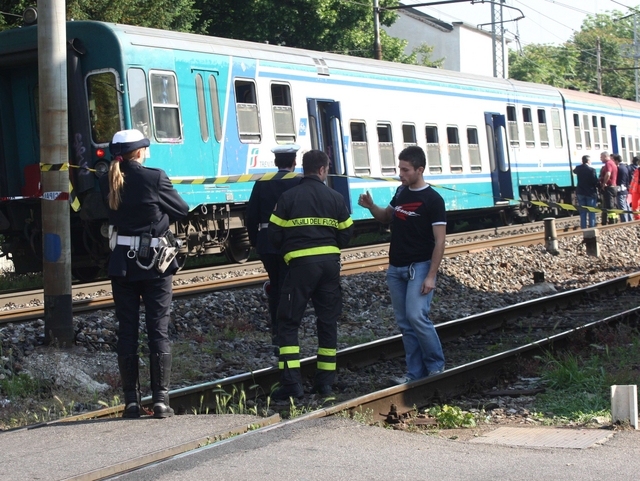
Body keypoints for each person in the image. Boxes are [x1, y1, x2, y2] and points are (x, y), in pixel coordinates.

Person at [99, 129, 189, 418]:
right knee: (157, 329)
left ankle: (131, 403)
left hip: (122, 265)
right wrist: (159, 218)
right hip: (155, 265)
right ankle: (161, 401)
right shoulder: (155, 177)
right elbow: (181, 209)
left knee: (127, 331)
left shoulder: (107, 180)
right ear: (139, 152)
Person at [268, 150, 353, 400]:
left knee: (288, 323)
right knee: (327, 322)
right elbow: (347, 233)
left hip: (300, 268)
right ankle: (325, 384)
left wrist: (289, 251)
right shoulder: (335, 197)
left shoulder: (288, 197)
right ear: (323, 170)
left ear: (302, 168)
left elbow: (273, 234)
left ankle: (292, 385)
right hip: (329, 267)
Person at [357, 146, 446, 384]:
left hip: (419, 267)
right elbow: (386, 217)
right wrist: (370, 207)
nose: (401, 173)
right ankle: (415, 373)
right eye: (400, 168)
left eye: (405, 170)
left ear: (420, 169)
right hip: (396, 268)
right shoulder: (401, 192)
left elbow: (440, 241)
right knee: (406, 323)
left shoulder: (433, 199)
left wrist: (431, 275)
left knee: (417, 316)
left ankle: (436, 366)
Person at [245, 145, 301, 351]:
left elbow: (251, 215)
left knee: (276, 287)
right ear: (294, 162)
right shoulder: (298, 182)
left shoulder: (262, 182)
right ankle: (288, 331)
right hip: (293, 242)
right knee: (290, 286)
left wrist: (254, 240)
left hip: (267, 242)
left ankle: (277, 331)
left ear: (276, 163)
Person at [573, 155, 598, 229]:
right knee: (591, 211)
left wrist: (582, 164)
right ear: (588, 161)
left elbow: (574, 171)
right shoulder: (592, 170)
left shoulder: (578, 168)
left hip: (580, 192)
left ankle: (583, 227)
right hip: (590, 192)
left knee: (583, 212)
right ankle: (592, 227)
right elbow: (595, 181)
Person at [598, 151, 618, 225]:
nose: (601, 159)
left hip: (609, 187)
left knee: (609, 205)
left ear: (606, 156)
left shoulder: (608, 163)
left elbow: (608, 173)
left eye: (601, 157)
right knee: (613, 204)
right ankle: (614, 219)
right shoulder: (613, 163)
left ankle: (612, 221)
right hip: (613, 186)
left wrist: (604, 183)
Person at [613, 154, 632, 222]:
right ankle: (630, 219)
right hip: (625, 189)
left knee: (622, 207)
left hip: (620, 189)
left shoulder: (618, 168)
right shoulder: (625, 167)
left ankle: (625, 222)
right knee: (627, 206)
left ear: (616, 161)